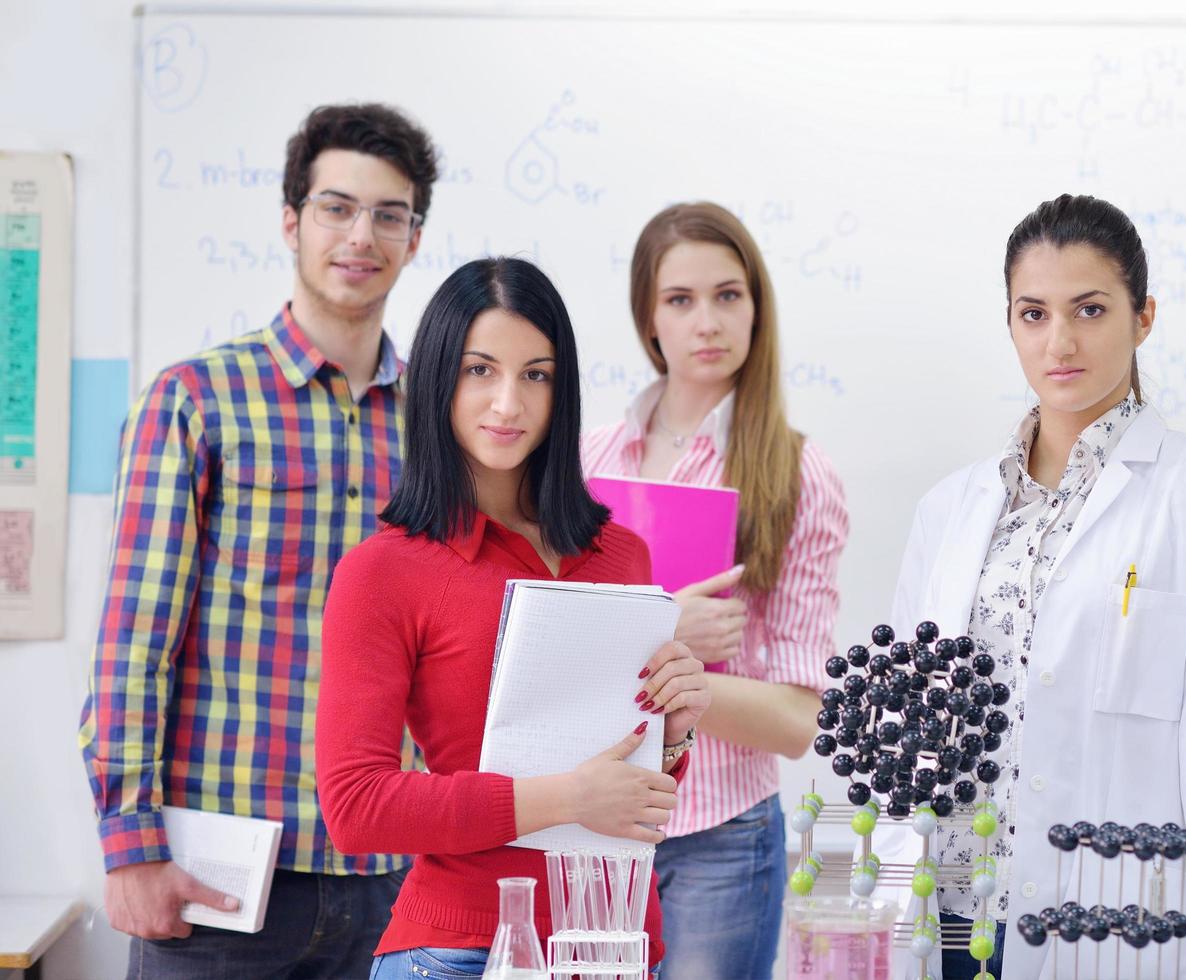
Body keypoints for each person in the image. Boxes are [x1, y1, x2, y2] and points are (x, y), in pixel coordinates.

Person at [875, 194, 1186, 980]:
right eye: (1032, 313)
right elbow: (902, 733)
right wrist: (881, 905)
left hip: (1111, 924)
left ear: (1143, 316)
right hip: (948, 919)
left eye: (1089, 309)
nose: (1060, 341)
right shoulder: (952, 509)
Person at [77, 103, 438, 977]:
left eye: (390, 214)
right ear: (291, 221)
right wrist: (130, 844)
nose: (362, 235)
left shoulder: (438, 425)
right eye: (336, 207)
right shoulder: (195, 400)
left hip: (391, 879)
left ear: (415, 238)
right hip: (219, 886)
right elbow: (135, 642)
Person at [315, 257, 710, 979]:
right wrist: (565, 798)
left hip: (619, 946)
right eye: (480, 371)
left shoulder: (621, 555)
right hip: (461, 951)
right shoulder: (383, 571)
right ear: (438, 379)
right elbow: (357, 807)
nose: (508, 403)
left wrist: (673, 733)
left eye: (536, 374)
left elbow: (631, 798)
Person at [582, 201, 848, 979]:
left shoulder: (798, 474)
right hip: (593, 818)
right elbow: (542, 650)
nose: (707, 321)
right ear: (648, 318)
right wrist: (663, 630)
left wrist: (672, 669)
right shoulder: (587, 458)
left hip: (721, 838)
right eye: (681, 299)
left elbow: (799, 720)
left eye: (728, 295)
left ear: (757, 309)